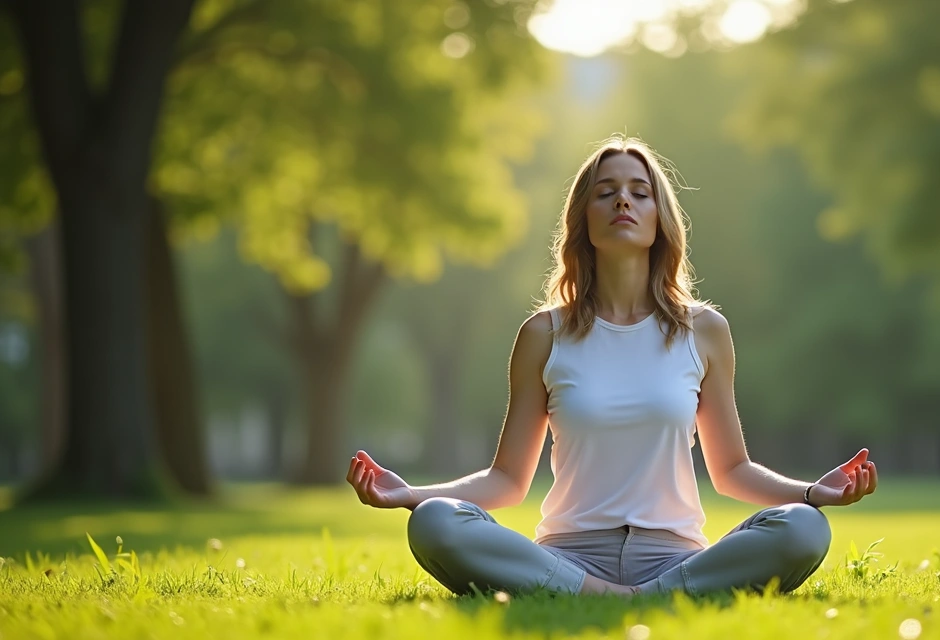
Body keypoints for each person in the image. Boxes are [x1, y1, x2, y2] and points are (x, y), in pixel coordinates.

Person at [345, 135, 878, 597]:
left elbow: (731, 471)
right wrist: (412, 496)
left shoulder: (705, 330)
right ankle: (618, 596)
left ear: (658, 218)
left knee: (805, 529)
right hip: (568, 558)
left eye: (639, 192)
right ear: (585, 219)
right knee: (436, 523)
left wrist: (811, 493)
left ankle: (650, 592)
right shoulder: (542, 335)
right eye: (606, 192)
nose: (623, 199)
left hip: (676, 557)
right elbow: (507, 480)